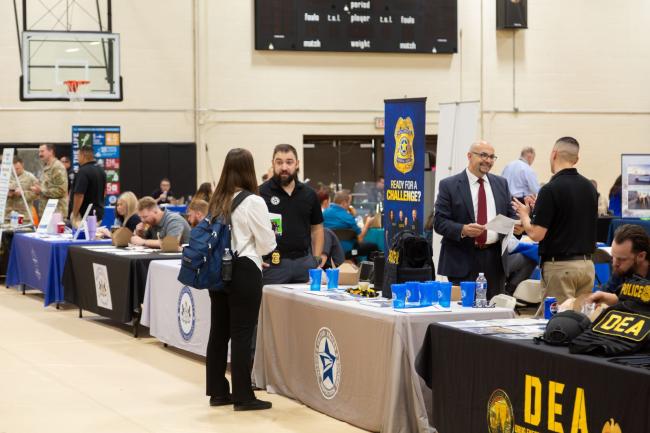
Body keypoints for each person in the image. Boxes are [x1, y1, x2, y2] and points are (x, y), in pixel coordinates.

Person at [205, 148, 276, 411]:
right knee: (242, 334)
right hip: (244, 269)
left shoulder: (217, 200)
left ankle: (217, 391)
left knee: (219, 332)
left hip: (217, 271)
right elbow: (267, 244)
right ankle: (243, 396)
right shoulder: (253, 202)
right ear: (249, 169)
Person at [512, 136, 598, 305]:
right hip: (587, 266)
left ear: (553, 154)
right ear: (576, 159)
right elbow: (569, 217)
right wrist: (543, 209)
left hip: (560, 268)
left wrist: (524, 214)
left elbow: (536, 235)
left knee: (557, 324)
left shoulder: (550, 189)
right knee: (580, 322)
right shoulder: (589, 187)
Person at [434, 140, 518, 299]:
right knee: (463, 314)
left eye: (492, 157)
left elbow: (510, 216)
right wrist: (463, 230)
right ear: (469, 156)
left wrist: (517, 224)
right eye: (483, 155)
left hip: (495, 260)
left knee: (493, 313)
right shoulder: (449, 185)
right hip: (462, 259)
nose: (488, 160)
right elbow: (439, 222)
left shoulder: (501, 183)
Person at [259, 144, 324, 283]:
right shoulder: (260, 194)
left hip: (305, 264)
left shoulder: (310, 194)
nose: (284, 167)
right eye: (279, 162)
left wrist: (316, 259)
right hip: (273, 266)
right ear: (272, 164)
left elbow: (317, 229)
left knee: (307, 304)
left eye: (289, 162)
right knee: (273, 305)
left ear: (297, 164)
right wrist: (255, 258)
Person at [597, 225, 649, 302]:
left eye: (621, 259)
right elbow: (605, 292)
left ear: (641, 256)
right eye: (613, 257)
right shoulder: (621, 271)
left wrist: (616, 299)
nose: (615, 263)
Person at [323, 190, 378, 260]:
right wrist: (367, 223)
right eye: (349, 202)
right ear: (343, 203)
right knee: (373, 247)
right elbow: (360, 239)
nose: (349, 205)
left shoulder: (324, 213)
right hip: (348, 252)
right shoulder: (347, 217)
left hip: (328, 251)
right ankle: (369, 270)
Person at [70, 144, 107, 224]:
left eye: (78, 156)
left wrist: (75, 213)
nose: (77, 159)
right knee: (93, 235)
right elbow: (104, 193)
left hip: (85, 216)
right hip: (98, 214)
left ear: (83, 156)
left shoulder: (83, 171)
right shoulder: (101, 171)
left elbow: (79, 195)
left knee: (81, 236)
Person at [31, 143, 68, 218]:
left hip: (56, 213)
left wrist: (41, 190)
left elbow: (61, 190)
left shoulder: (57, 167)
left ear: (51, 151)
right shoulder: (46, 167)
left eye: (42, 151)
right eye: (39, 152)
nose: (40, 154)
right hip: (46, 213)